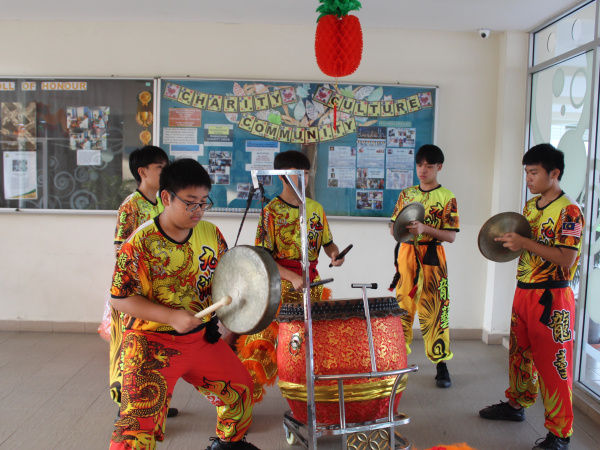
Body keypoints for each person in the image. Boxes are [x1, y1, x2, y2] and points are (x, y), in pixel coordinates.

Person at [109, 158, 259, 450]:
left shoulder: (211, 234)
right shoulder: (139, 243)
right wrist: (171, 316)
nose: (199, 210)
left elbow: (223, 279)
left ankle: (228, 445)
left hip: (201, 338)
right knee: (137, 428)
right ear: (166, 197)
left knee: (240, 391)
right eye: (190, 202)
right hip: (150, 343)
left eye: (204, 202)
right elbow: (120, 298)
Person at [479, 144, 583, 450]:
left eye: (534, 172)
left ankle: (561, 434)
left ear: (554, 173)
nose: (528, 177)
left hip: (553, 297)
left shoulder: (570, 211)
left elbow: (566, 258)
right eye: (526, 171)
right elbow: (527, 247)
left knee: (554, 366)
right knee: (519, 355)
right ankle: (516, 405)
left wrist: (524, 241)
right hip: (524, 291)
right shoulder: (530, 207)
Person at [236, 150, 345, 402]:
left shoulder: (316, 208)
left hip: (313, 285)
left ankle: (311, 398)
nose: (304, 179)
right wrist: (289, 276)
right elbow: (263, 258)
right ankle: (241, 399)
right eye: (299, 174)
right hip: (279, 287)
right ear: (283, 177)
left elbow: (328, 243)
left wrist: (335, 255)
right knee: (266, 344)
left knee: (312, 345)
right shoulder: (270, 212)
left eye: (307, 174)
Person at [109, 146, 178, 416]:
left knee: (158, 350)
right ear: (143, 172)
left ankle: (155, 400)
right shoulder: (131, 206)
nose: (165, 170)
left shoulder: (164, 201)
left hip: (160, 291)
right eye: (160, 167)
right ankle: (127, 405)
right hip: (135, 291)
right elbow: (121, 251)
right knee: (131, 351)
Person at [389, 144, 459, 388]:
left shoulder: (447, 197)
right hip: (407, 256)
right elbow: (393, 227)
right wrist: (401, 231)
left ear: (439, 167)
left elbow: (450, 237)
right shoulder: (406, 195)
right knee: (401, 309)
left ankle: (441, 365)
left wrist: (425, 229)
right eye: (420, 165)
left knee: (436, 311)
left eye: (429, 166)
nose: (423, 170)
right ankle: (397, 362)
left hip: (433, 258)